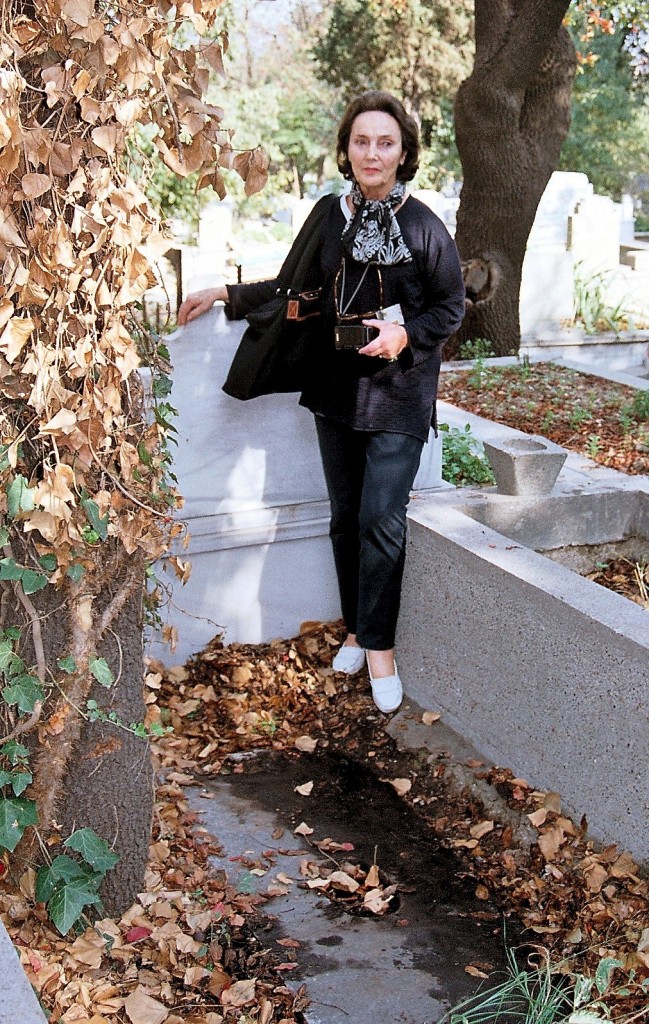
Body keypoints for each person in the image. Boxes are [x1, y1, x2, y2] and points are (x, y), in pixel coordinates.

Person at [178, 91, 466, 714]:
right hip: (338, 394)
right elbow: (293, 289)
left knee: (380, 523)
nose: (372, 153)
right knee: (344, 520)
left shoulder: (424, 225)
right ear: (346, 150)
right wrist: (222, 292)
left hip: (400, 397)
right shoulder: (328, 216)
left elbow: (450, 307)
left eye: (385, 142)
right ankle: (359, 633)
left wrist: (404, 334)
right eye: (361, 141)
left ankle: (381, 649)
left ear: (404, 152)